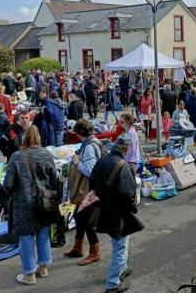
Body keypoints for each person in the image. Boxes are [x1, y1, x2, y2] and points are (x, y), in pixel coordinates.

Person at [89, 133, 145, 293]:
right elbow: (129, 194)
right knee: (120, 247)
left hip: (103, 209)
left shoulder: (102, 160)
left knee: (118, 243)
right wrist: (133, 208)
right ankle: (113, 284)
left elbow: (91, 182)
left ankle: (122, 270)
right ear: (126, 148)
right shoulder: (123, 165)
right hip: (118, 213)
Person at [3, 126, 58, 285]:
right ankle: (43, 268)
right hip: (44, 202)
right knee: (43, 234)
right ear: (39, 137)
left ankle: (29, 274)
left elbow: (8, 185)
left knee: (26, 238)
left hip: (23, 203)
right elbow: (54, 179)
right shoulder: (46, 154)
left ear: (24, 138)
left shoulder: (17, 156)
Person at [65, 119, 103, 265]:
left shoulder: (89, 147)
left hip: (88, 189)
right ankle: (78, 247)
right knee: (79, 216)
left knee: (85, 219)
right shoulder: (93, 141)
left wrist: (76, 161)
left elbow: (90, 170)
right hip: (88, 189)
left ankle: (95, 252)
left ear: (79, 133)